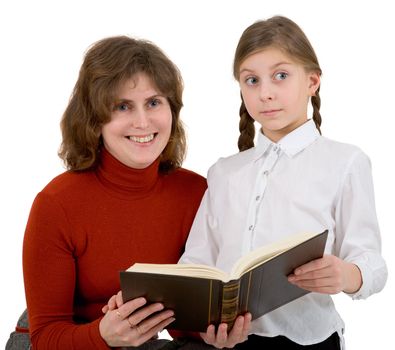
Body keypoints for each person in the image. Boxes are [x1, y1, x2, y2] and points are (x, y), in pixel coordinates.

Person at [179, 15, 387, 349]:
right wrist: (203, 321)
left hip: (310, 339)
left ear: (312, 82)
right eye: (251, 80)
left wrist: (347, 275)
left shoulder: (345, 162)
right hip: (231, 341)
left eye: (281, 76)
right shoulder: (224, 173)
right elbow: (197, 263)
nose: (265, 93)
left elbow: (371, 262)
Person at [22, 36, 207, 349]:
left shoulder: (195, 192)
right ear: (95, 120)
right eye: (122, 106)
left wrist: (211, 332)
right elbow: (44, 337)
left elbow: (181, 323)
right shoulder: (56, 204)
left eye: (153, 102)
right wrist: (102, 335)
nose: (142, 121)